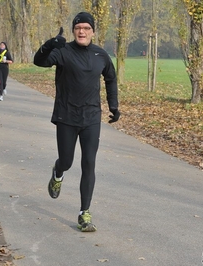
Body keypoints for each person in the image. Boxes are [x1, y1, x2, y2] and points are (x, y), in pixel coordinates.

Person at [33, 12, 120, 232]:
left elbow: (111, 77)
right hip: (66, 116)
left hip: (91, 117)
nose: (82, 31)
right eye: (78, 27)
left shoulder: (100, 55)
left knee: (89, 163)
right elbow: (39, 61)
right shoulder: (63, 51)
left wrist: (113, 106)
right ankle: (58, 172)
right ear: (73, 30)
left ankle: (84, 213)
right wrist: (50, 44)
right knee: (67, 161)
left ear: (92, 31)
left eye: (86, 28)